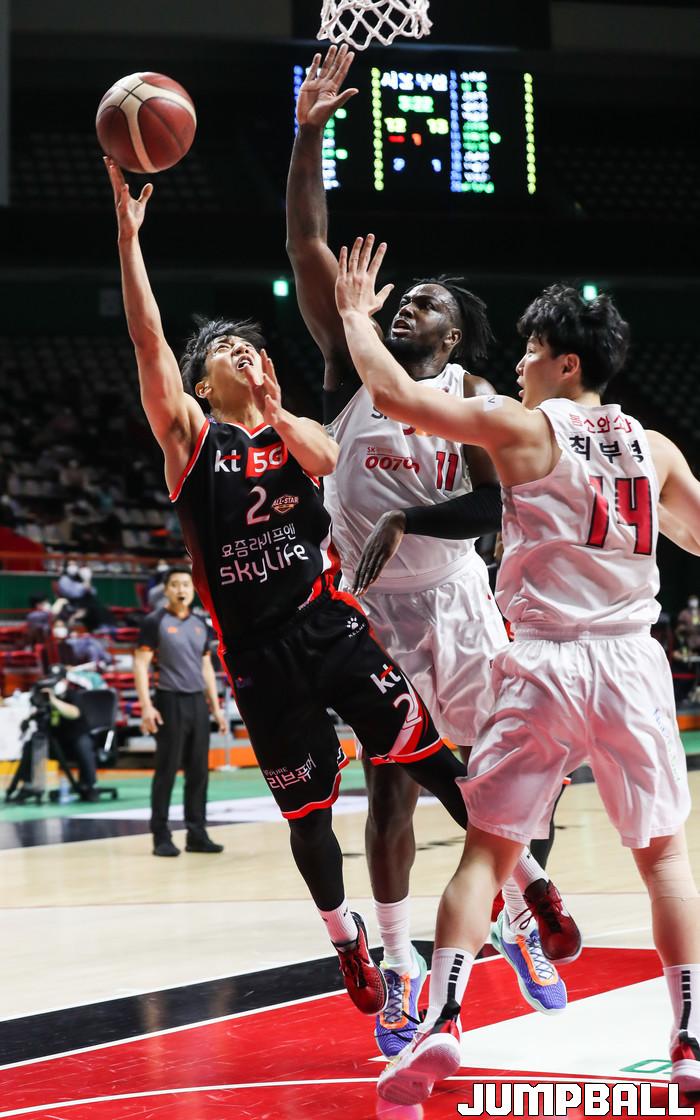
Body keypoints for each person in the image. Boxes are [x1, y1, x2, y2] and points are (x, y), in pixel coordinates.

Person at [104, 153, 547, 1020]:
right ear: (201, 384)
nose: (244, 352)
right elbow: (149, 339)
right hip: (266, 652)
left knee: (448, 759)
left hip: (346, 618)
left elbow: (328, 455)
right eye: (226, 351)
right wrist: (129, 241)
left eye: (250, 344)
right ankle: (363, 944)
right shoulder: (190, 437)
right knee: (323, 810)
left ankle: (526, 895)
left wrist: (276, 409)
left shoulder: (306, 426)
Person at [334, 239, 700, 1100]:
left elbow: (394, 395)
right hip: (630, 662)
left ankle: (444, 1021)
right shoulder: (654, 448)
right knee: (664, 863)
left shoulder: (524, 428)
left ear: (567, 363)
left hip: (541, 664)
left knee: (485, 857)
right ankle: (690, 1039)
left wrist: (354, 315)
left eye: (533, 352)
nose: (520, 365)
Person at [287, 46, 579, 1053]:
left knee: (518, 776)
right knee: (390, 786)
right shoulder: (349, 369)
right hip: (374, 615)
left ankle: (515, 918)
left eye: (428, 306)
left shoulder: (475, 401)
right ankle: (401, 961)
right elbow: (307, 243)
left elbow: (492, 510)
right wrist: (309, 134)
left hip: (456, 598)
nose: (407, 305)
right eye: (403, 298)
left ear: (453, 341)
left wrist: (405, 521)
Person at [133, 566, 228, 857]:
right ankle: (161, 835)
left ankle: (197, 834)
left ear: (192, 589)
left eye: (186, 584)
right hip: (169, 700)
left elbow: (206, 667)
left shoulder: (200, 623)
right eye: (175, 584)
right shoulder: (155, 621)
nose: (181, 589)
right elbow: (140, 664)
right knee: (167, 770)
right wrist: (146, 706)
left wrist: (216, 709)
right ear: (166, 590)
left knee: (199, 771)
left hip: (197, 702)